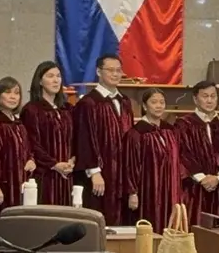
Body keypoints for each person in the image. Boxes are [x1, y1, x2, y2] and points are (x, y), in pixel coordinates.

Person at [72, 54, 134, 225]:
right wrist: (94, 172)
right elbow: (84, 139)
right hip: (101, 172)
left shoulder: (125, 102)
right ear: (99, 72)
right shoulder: (89, 103)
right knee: (99, 217)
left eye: (118, 70)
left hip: (122, 172)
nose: (115, 74)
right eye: (110, 70)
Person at [122, 88, 182, 230]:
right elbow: (131, 165)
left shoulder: (170, 130)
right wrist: (132, 192)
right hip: (148, 190)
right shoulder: (136, 133)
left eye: (162, 102)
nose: (159, 106)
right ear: (144, 106)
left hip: (171, 190)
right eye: (154, 102)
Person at [174, 80, 219, 225]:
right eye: (205, 96)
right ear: (195, 99)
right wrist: (202, 178)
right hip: (194, 187)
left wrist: (218, 177)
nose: (210, 100)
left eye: (213, 96)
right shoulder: (183, 124)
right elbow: (182, 154)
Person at [21, 61, 74, 207]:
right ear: (40, 81)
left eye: (58, 76)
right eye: (50, 76)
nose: (56, 80)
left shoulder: (67, 109)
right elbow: (32, 143)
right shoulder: (32, 110)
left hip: (67, 173)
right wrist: (54, 164)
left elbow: (75, 138)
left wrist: (72, 160)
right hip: (44, 175)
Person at [0, 76, 35, 218]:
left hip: (20, 182)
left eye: (16, 93)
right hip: (3, 184)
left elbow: (27, 148)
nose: (13, 97)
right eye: (8, 92)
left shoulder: (18, 124)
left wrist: (31, 159)